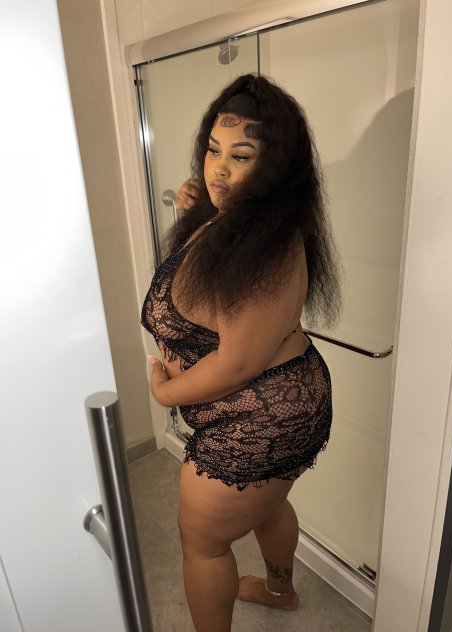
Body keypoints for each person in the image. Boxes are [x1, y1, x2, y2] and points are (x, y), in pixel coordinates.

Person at [141, 73, 340, 632]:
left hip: (262, 416)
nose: (219, 170)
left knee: (202, 543)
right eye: (213, 150)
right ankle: (280, 591)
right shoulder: (238, 221)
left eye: (241, 156)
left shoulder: (273, 245)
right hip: (269, 402)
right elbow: (213, 289)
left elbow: (237, 363)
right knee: (268, 504)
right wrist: (201, 212)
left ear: (275, 167)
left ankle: (272, 595)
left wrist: (166, 393)